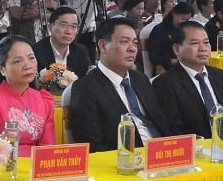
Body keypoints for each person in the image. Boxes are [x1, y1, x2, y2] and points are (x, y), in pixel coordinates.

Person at [69, 18, 168, 152]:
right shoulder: (85, 88)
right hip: (127, 160)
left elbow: (162, 125)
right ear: (103, 46)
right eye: (124, 42)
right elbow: (93, 146)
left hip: (163, 155)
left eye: (135, 42)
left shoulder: (141, 80)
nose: (132, 49)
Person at [153, 21, 223, 138]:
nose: (203, 48)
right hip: (197, 150)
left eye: (206, 42)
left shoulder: (219, 75)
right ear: (177, 49)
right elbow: (173, 130)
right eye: (195, 43)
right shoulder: (165, 83)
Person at [0, 35, 56, 157]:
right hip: (1, 168)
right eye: (17, 61)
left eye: (31, 58)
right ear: (2, 69)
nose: (27, 65)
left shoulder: (44, 100)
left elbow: (48, 149)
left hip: (34, 169)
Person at [33, 7, 91, 77]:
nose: (68, 31)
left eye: (73, 26)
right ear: (50, 27)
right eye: (63, 25)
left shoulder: (81, 51)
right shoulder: (37, 52)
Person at [147, 1, 194, 75]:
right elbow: (153, 56)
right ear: (174, 14)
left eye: (187, 20)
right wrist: (171, 61)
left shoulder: (186, 30)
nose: (184, 22)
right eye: (182, 19)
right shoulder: (159, 30)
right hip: (165, 69)